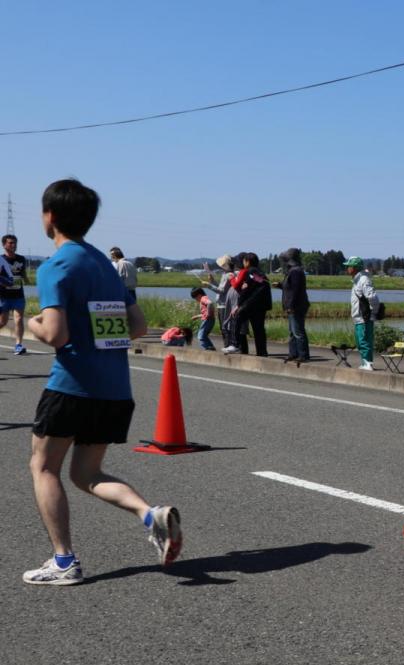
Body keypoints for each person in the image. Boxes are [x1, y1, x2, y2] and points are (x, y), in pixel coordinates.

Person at [23, 178, 182, 586]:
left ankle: (64, 562)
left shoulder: (57, 264)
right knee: (87, 473)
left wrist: (31, 324)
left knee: (44, 467)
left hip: (72, 384)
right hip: (114, 388)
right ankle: (152, 516)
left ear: (50, 216)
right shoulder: (103, 265)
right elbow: (138, 325)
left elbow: (56, 334)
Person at [225, 251, 270, 356]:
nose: (243, 263)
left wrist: (238, 305)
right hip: (260, 306)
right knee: (259, 330)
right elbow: (262, 285)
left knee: (236, 318)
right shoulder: (259, 272)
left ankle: (234, 344)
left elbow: (245, 291)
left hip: (251, 305)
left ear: (248, 261)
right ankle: (262, 352)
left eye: (244, 261)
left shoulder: (250, 272)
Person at [346, 256, 380, 370]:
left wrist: (373, 312)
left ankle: (368, 363)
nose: (347, 268)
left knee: (364, 341)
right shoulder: (357, 280)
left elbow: (372, 297)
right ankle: (365, 362)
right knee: (361, 341)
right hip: (359, 317)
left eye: (349, 266)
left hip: (364, 317)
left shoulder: (363, 280)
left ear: (355, 267)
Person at [280, 247, 310, 363]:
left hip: (296, 306)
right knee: (292, 332)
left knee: (298, 332)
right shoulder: (294, 270)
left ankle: (303, 355)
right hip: (294, 306)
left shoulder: (295, 271)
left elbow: (296, 290)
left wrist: (291, 306)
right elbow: (291, 287)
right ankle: (293, 353)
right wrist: (280, 285)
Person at [0, 233, 29, 354]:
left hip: (18, 295)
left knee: (18, 319)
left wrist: (27, 279)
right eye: (10, 243)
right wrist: (4, 283)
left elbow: (22, 273)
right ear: (4, 245)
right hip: (4, 296)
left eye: (15, 243)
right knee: (3, 322)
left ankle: (18, 345)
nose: (13, 245)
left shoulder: (21, 259)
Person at [202, 254, 238, 349]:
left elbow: (221, 291)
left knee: (225, 327)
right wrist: (212, 281)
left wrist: (209, 285)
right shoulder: (226, 274)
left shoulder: (229, 275)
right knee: (225, 326)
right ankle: (228, 346)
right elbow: (220, 287)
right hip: (222, 304)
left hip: (224, 304)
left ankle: (228, 346)